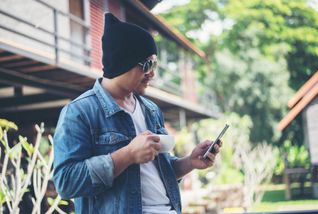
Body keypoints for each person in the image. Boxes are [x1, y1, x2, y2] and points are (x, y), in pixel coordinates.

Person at [53, 13, 221, 214]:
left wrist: (189, 162)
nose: (153, 74)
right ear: (122, 62)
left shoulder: (150, 110)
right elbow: (66, 183)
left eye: (154, 65)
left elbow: (155, 173)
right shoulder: (79, 112)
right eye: (147, 65)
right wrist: (128, 155)